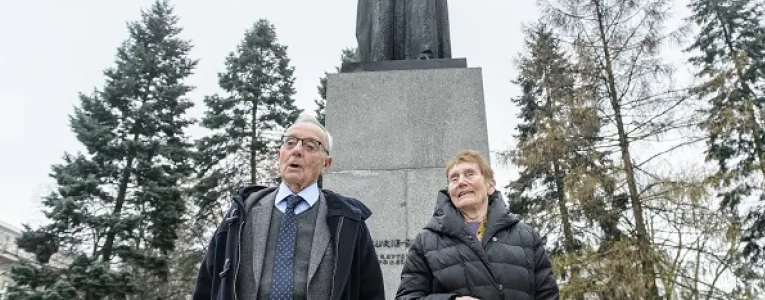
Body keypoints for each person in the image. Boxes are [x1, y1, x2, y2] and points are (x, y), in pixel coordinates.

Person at [192, 113, 385, 300]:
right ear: (280, 154)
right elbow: (207, 284)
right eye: (290, 143)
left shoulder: (348, 221)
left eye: (310, 146)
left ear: (326, 164)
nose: (297, 150)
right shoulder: (242, 213)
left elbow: (370, 292)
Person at [396, 150, 560, 300]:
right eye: (454, 178)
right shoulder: (426, 242)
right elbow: (406, 297)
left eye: (469, 174)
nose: (461, 182)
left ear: (490, 186)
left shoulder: (526, 237)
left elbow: (548, 296)